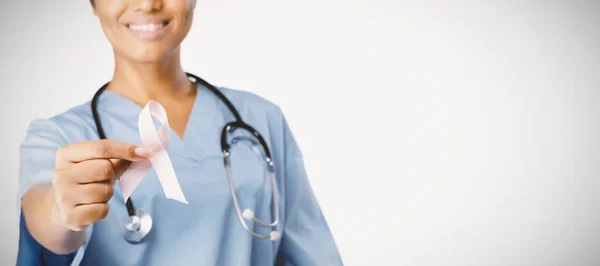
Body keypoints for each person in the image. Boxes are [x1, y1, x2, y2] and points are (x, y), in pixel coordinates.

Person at [17, 0, 343, 265]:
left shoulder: (260, 117)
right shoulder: (59, 135)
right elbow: (47, 224)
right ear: (93, 3)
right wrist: (63, 213)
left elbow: (313, 253)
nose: (148, 3)